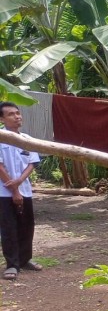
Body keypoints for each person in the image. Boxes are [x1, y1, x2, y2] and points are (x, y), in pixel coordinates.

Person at [0, 102, 43, 282]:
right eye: (11, 114)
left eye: (18, 113)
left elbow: (32, 163)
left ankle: (25, 260)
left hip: (25, 190)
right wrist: (14, 188)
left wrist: (19, 182)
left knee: (27, 226)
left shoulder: (26, 138)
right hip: (3, 192)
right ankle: (12, 264)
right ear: (2, 119)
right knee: (9, 228)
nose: (17, 116)